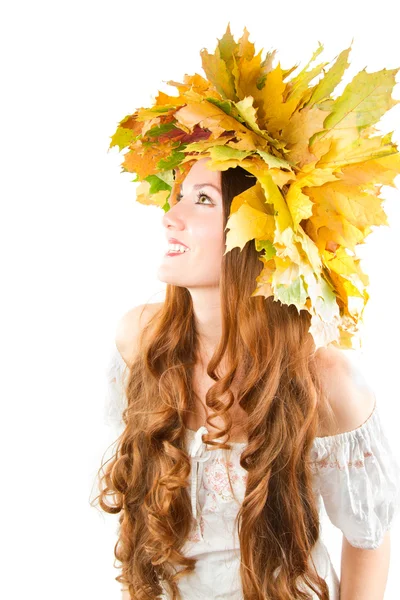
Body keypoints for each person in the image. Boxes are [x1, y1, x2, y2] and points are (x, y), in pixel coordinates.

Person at [93, 25, 400, 600]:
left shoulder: (328, 382)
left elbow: (368, 538)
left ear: (259, 238)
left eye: (202, 200)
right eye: (177, 195)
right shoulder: (138, 339)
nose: (171, 216)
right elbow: (140, 514)